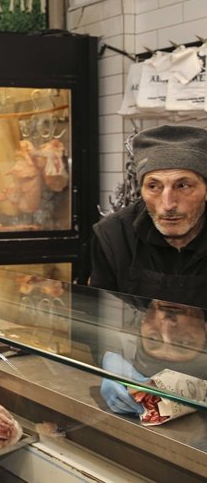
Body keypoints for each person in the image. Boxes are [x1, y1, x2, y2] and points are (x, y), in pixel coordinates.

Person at [90, 124, 207, 414]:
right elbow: (95, 314)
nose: (167, 204)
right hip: (141, 379)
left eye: (183, 185)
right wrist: (108, 358)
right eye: (154, 186)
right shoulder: (114, 236)